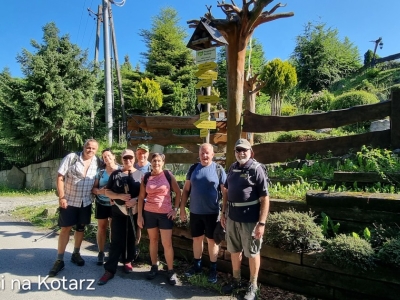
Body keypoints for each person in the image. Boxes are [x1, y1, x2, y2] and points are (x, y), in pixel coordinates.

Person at [220, 138, 269, 300]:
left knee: (252, 253)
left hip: (250, 220)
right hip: (232, 218)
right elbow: (226, 191)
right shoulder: (233, 168)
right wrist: (223, 213)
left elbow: (265, 198)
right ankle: (236, 280)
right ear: (234, 152)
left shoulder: (256, 169)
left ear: (251, 152)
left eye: (244, 150)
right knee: (234, 250)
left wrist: (261, 223)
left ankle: (253, 285)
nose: (241, 153)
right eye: (238, 150)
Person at [48, 139, 100, 277]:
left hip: (86, 201)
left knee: (81, 227)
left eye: (93, 148)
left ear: (97, 150)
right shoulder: (72, 158)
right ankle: (59, 260)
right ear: (84, 147)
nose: (90, 150)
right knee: (65, 228)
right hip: (69, 200)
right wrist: (62, 197)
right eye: (88, 147)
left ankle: (76, 253)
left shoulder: (97, 161)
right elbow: (60, 177)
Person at [180, 143, 227, 284]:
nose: (205, 155)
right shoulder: (193, 168)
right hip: (195, 212)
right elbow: (186, 190)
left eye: (207, 153)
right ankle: (197, 266)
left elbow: (225, 194)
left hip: (212, 213)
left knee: (212, 241)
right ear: (199, 154)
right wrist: (182, 208)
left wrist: (224, 212)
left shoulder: (218, 170)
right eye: (202, 153)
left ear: (212, 155)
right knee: (196, 239)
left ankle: (213, 269)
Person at [97, 149, 143, 285]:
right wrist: (119, 196)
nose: (128, 160)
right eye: (125, 158)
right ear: (121, 159)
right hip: (118, 212)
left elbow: (144, 195)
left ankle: (127, 261)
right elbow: (107, 191)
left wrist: (135, 200)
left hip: (133, 212)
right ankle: (110, 269)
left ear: (134, 159)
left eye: (130, 158)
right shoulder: (116, 174)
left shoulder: (141, 175)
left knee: (131, 238)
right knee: (116, 239)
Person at [137, 153, 181, 286]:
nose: (156, 163)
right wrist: (139, 215)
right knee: (153, 241)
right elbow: (140, 197)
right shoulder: (146, 177)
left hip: (165, 214)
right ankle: (154, 266)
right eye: (154, 161)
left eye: (159, 161)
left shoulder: (167, 175)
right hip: (149, 213)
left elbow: (178, 192)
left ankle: (170, 270)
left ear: (163, 162)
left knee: (167, 243)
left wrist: (175, 209)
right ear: (151, 162)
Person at [91, 148, 120, 265]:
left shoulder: (121, 170)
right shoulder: (100, 171)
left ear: (113, 156)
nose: (106, 158)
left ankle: (112, 253)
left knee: (114, 229)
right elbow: (94, 189)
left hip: (116, 204)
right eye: (104, 157)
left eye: (108, 156)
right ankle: (101, 252)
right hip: (102, 203)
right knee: (102, 228)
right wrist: (99, 192)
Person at [132, 144, 151, 259]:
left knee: (151, 228)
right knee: (136, 226)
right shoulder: (133, 167)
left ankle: (152, 254)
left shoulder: (152, 167)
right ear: (136, 154)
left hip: (149, 202)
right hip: (135, 202)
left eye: (144, 153)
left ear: (148, 154)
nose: (142, 155)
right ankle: (135, 250)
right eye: (139, 152)